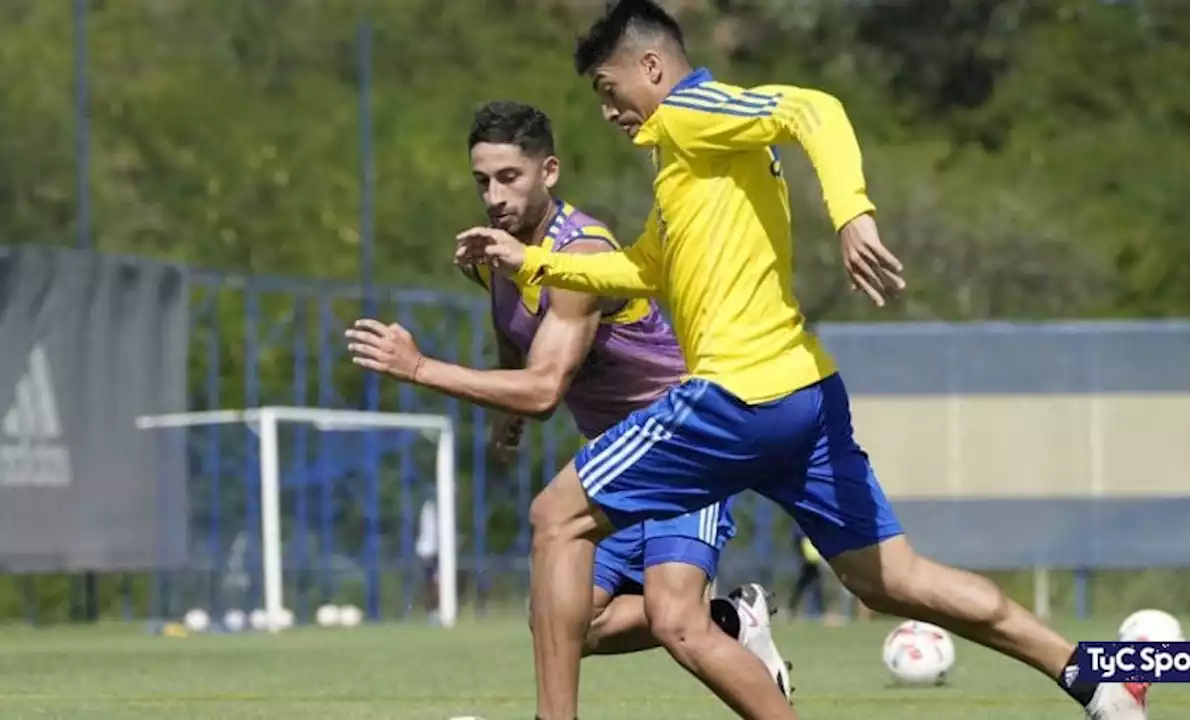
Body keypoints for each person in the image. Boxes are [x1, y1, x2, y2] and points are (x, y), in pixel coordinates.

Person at [452, 2, 1150, 719]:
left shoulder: (694, 112)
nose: (608, 111)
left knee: (556, 518)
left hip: (737, 396)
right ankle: (1093, 681)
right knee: (890, 580)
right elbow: (643, 270)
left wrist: (853, 213)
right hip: (804, 392)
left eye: (608, 88)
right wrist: (533, 260)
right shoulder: (689, 154)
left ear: (652, 68)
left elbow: (815, 108)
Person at [345, 100, 792, 700]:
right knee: (562, 624)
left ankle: (725, 625)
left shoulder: (578, 254)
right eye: (482, 181)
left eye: (509, 177)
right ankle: (735, 620)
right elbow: (515, 338)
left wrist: (421, 367)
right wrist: (507, 411)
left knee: (677, 621)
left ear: (548, 171)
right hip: (615, 455)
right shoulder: (495, 258)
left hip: (686, 440)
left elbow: (547, 388)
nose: (494, 196)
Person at [415, 497, 441, 623]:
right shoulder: (430, 508)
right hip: (429, 552)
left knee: (435, 583)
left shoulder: (431, 507)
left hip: (434, 551)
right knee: (430, 583)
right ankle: (432, 612)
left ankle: (436, 611)